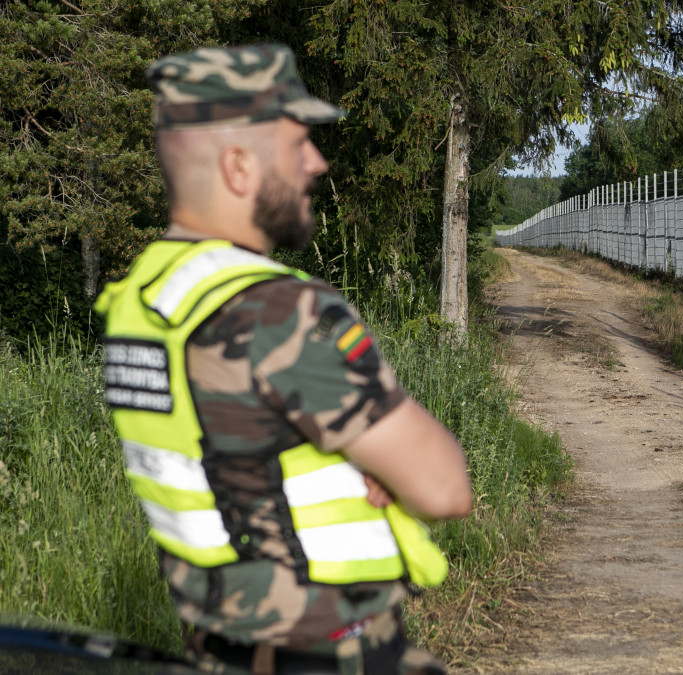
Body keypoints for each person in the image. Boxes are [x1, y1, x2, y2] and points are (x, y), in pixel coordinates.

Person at [94, 43, 473, 675]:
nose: (316, 163)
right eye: (297, 144)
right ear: (239, 167)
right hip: (332, 653)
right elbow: (443, 487)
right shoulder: (278, 312)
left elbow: (235, 455)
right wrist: (374, 465)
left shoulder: (140, 301)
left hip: (216, 647)